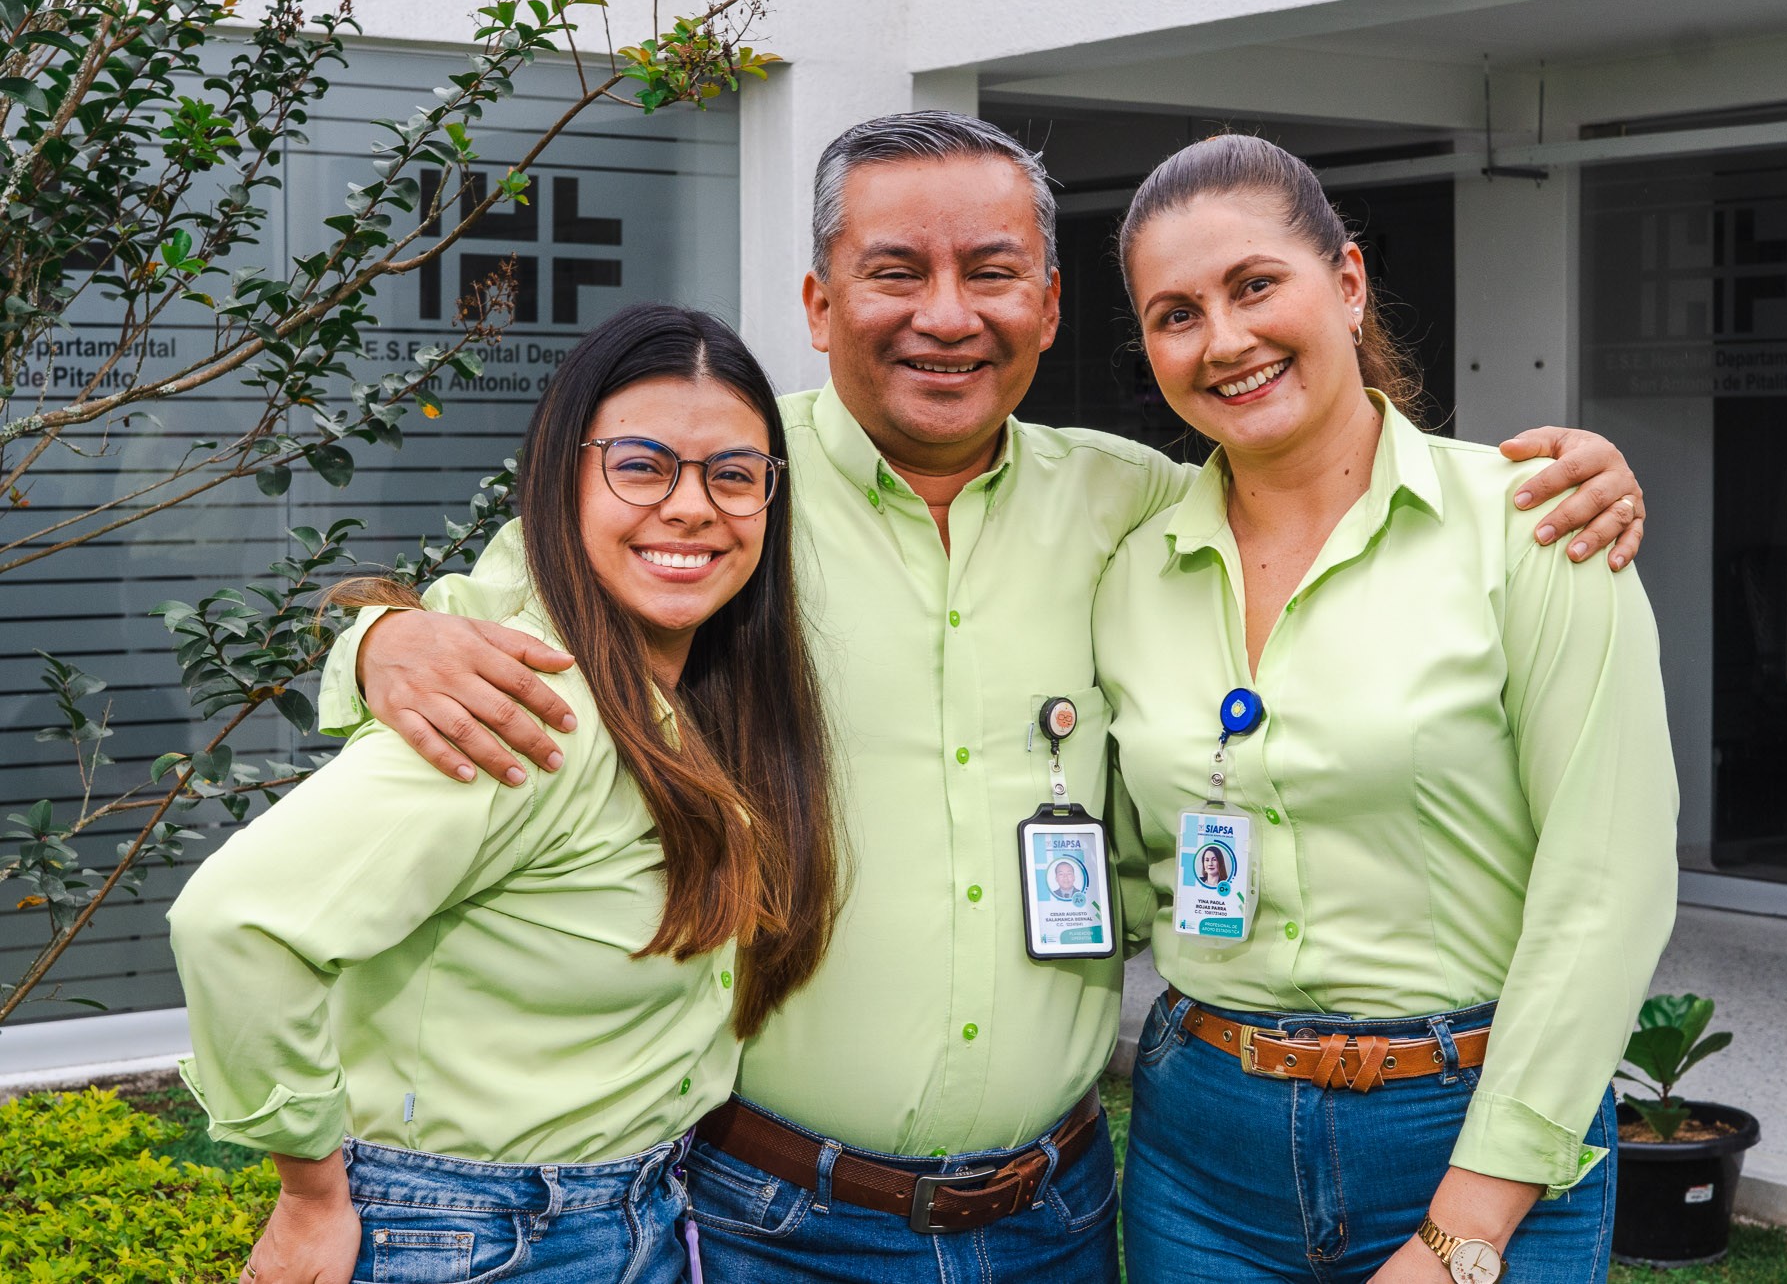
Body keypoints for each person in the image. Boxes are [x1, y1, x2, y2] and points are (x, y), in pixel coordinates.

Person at [316, 113, 1650, 1283]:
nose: (946, 314)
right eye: (895, 272)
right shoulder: (716, 490)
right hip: (778, 1208)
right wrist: (383, 639)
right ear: (819, 301)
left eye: (991, 271)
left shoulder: (1132, 507)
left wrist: (1583, 475)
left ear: (1052, 308)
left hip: (1058, 1211)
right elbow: (478, 638)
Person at [1092, 135, 1678, 1283]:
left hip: (1476, 1130)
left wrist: (1464, 1226)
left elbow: (1604, 886)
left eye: (1255, 286)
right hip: (1200, 1144)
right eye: (1175, 313)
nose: (1224, 340)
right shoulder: (1128, 570)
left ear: (1347, 284)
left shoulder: (1535, 526)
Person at [168, 305, 840, 1284]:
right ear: (562, 477)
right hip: (485, 1235)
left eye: (732, 475)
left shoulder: (688, 693)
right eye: (642, 465)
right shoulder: (522, 709)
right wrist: (310, 1188)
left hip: (624, 1206)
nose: (693, 506)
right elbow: (237, 921)